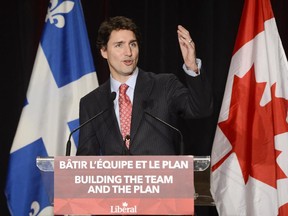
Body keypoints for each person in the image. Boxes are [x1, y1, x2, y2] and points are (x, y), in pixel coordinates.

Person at [76, 16, 213, 156]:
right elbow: (85, 159)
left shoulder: (164, 85)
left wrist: (192, 67)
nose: (128, 52)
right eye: (119, 45)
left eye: (133, 44)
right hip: (115, 178)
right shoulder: (91, 103)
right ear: (104, 51)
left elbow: (200, 109)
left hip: (161, 177)